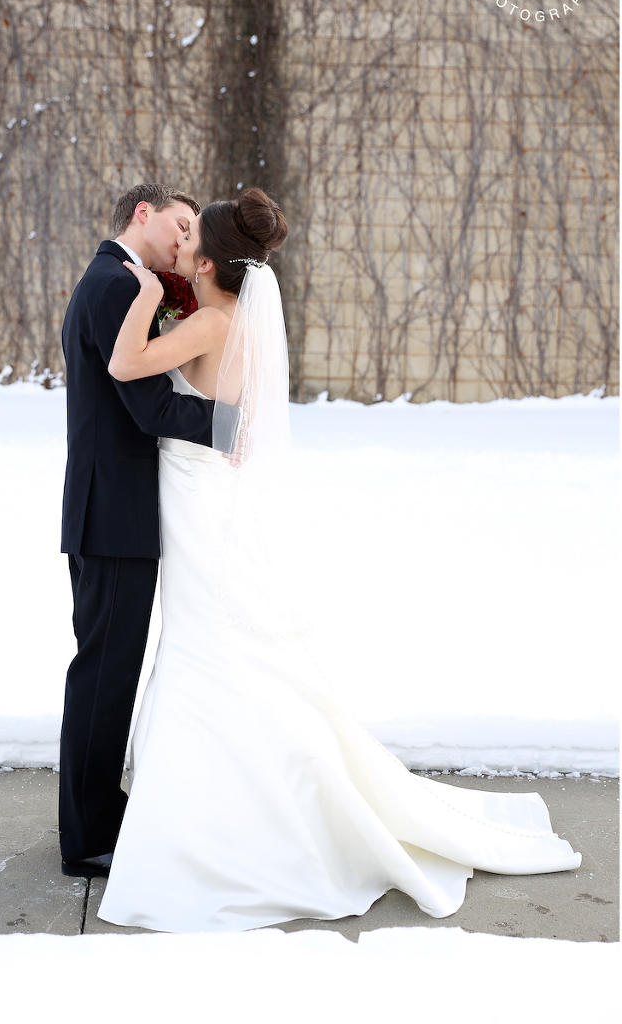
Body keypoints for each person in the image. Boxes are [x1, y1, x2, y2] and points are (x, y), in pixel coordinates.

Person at [98, 186, 581, 932]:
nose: (183, 246)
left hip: (196, 505)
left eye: (194, 240)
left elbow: (128, 364)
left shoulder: (211, 322)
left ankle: (216, 830)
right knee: (213, 645)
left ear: (211, 260)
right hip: (208, 499)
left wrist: (142, 289)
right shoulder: (235, 321)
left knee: (204, 650)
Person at [59, 183, 215, 878]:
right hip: (114, 517)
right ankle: (89, 835)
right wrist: (234, 426)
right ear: (142, 214)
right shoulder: (121, 284)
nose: (185, 241)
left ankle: (93, 815)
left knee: (104, 671)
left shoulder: (112, 279)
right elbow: (149, 409)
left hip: (105, 511)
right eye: (181, 224)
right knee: (103, 675)